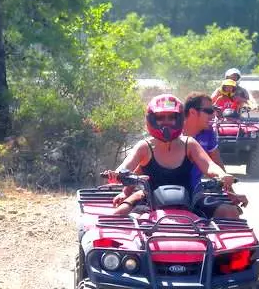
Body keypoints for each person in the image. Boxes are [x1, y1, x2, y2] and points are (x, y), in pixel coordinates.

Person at [105, 94, 235, 216]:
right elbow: (126, 167)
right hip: (149, 200)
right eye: (160, 118)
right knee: (117, 215)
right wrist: (116, 175)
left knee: (230, 212)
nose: (166, 122)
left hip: (190, 200)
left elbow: (209, 165)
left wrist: (222, 175)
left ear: (179, 119)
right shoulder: (144, 146)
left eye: (172, 117)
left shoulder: (189, 143)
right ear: (151, 119)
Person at [183, 91, 248, 217]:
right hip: (163, 195)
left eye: (214, 110)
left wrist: (230, 193)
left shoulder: (209, 134)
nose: (213, 114)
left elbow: (216, 164)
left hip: (195, 194)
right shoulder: (174, 132)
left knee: (231, 213)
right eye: (208, 111)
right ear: (192, 112)